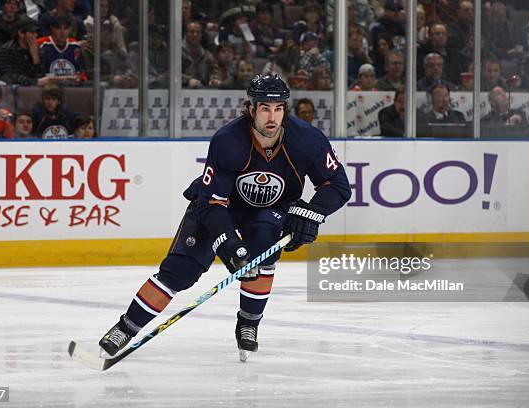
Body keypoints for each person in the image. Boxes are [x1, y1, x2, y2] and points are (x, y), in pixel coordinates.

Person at [97, 74, 351, 360]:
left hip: (270, 209)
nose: (272, 117)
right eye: (265, 108)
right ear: (251, 108)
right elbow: (212, 202)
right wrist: (226, 241)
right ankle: (126, 327)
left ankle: (248, 324)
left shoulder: (307, 140)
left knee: (263, 252)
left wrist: (312, 212)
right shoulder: (228, 141)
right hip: (222, 206)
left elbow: (338, 186)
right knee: (180, 270)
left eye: (278, 108)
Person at [0, 17, 47, 86]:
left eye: (36, 32)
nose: (36, 35)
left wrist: (35, 58)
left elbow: (41, 76)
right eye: (32, 32)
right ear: (21, 33)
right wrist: (34, 82)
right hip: (11, 91)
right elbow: (8, 76)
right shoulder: (7, 50)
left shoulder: (39, 50)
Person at [38, 16, 87, 85]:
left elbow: (81, 73)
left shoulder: (75, 46)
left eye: (65, 28)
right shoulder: (42, 44)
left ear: (70, 29)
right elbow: (39, 75)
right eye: (58, 28)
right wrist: (60, 79)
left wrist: (78, 78)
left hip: (72, 88)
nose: (62, 32)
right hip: (48, 87)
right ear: (52, 29)